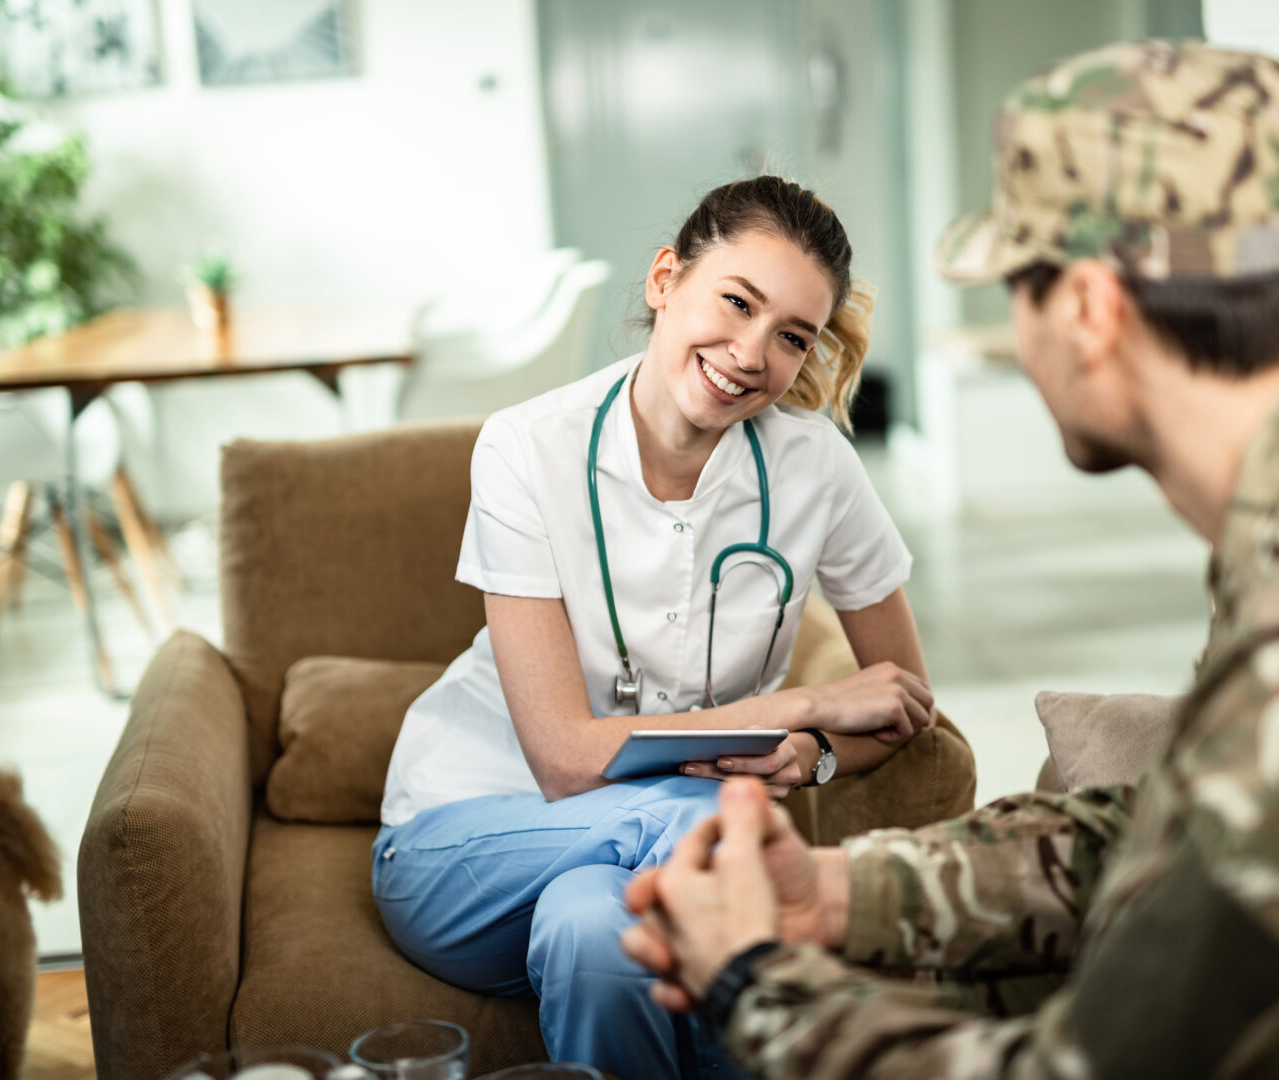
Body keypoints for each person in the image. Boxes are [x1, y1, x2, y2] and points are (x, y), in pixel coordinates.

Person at [621, 40, 1279, 1078]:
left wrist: (753, 975)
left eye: (1016, 285)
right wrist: (838, 893)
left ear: (1090, 309)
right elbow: (1185, 835)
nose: (1011, 324)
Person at [372, 175, 937, 1080]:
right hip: (465, 836)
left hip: (623, 871)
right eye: (736, 302)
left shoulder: (817, 467)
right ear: (665, 278)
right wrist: (802, 704)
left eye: (792, 336)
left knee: (592, 928)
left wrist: (814, 753)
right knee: (710, 810)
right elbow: (563, 759)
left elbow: (903, 704)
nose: (752, 354)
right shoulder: (525, 447)